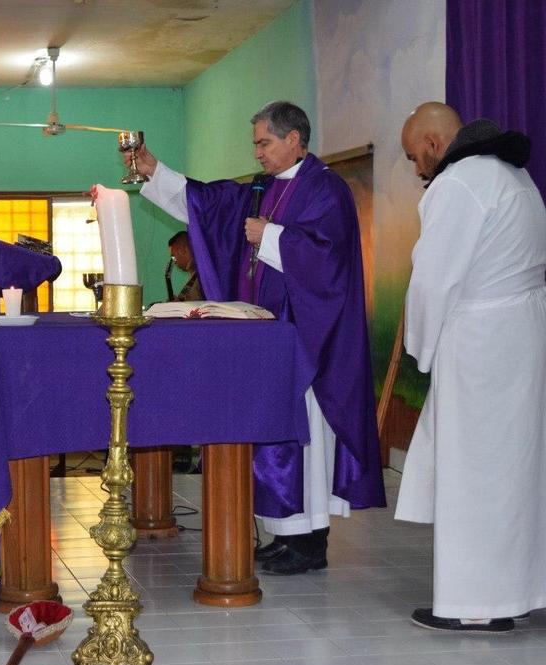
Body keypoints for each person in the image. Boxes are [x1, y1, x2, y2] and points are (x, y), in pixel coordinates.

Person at [126, 100, 385, 574]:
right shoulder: (262, 189)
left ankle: (310, 542)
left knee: (302, 437)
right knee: (271, 432)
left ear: (293, 139)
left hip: (307, 337)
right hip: (267, 337)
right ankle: (284, 534)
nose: (258, 153)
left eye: (264, 143)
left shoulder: (326, 189)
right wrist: (154, 170)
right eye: (256, 144)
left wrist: (272, 236)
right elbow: (210, 205)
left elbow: (329, 262)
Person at [395, 102, 546, 633]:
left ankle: (477, 604)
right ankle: (518, 590)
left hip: (482, 344)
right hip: (522, 335)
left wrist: (421, 346)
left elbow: (434, 278)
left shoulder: (460, 183)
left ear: (435, 145)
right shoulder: (515, 176)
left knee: (475, 472)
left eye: (416, 157)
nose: (417, 169)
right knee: (516, 470)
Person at [167, 231, 203, 301]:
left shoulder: (203, 276)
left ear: (183, 250)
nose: (174, 262)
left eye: (173, 256)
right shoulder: (194, 275)